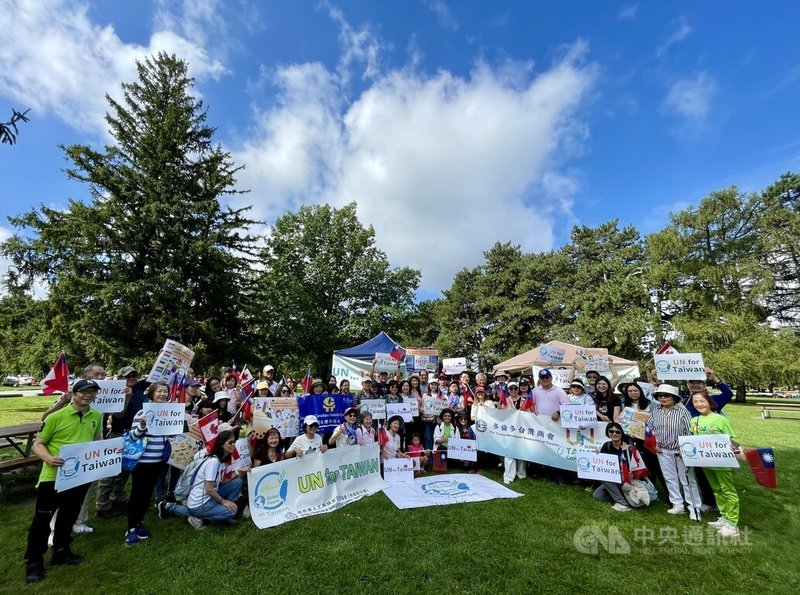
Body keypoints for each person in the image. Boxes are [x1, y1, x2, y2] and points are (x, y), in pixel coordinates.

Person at [24, 379, 102, 584]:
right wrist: (49, 458)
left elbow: (97, 440)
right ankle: (34, 562)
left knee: (69, 515)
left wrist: (107, 451)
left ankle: (61, 550)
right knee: (42, 521)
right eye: (84, 391)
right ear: (74, 393)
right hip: (53, 477)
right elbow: (37, 444)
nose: (88, 395)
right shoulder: (55, 417)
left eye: (93, 392)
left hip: (80, 476)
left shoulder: (96, 416)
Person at [159, 430, 247, 530]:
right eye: (230, 442)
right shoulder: (213, 462)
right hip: (200, 503)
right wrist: (223, 501)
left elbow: (221, 482)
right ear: (221, 444)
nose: (233, 444)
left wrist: (239, 471)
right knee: (231, 512)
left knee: (237, 482)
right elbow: (209, 489)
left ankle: (219, 512)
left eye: (234, 442)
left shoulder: (221, 461)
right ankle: (203, 517)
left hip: (209, 497)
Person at [96, 366, 147, 519]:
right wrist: (126, 397)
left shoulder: (138, 388)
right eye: (127, 376)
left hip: (134, 435)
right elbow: (117, 416)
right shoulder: (114, 391)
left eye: (134, 375)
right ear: (119, 378)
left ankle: (116, 498)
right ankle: (102, 505)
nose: (131, 378)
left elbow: (155, 376)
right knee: (109, 471)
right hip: (118, 434)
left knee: (125, 470)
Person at [125, 382, 171, 546]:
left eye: (165, 391)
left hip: (158, 461)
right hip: (142, 462)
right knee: (137, 495)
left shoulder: (168, 413)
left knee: (146, 495)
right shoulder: (141, 413)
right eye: (159, 391)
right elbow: (131, 437)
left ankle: (139, 522)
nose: (162, 394)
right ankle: (130, 529)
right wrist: (142, 426)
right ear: (151, 393)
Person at [646, 384, 702, 521]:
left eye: (666, 395)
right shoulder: (655, 412)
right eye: (660, 396)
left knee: (687, 479)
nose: (663, 398)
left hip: (681, 450)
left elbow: (691, 430)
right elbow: (649, 430)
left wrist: (685, 444)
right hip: (662, 450)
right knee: (669, 478)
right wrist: (654, 444)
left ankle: (694, 508)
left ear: (674, 397)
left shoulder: (682, 412)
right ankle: (677, 504)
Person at [690, 392, 741, 537]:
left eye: (702, 401)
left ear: (709, 402)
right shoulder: (694, 420)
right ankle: (724, 516)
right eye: (695, 402)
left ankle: (732, 523)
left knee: (728, 490)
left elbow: (729, 440)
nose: (699, 404)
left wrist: (733, 448)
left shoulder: (720, 419)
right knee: (717, 489)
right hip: (706, 461)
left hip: (721, 462)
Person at [592, 423, 635, 512]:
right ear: (608, 433)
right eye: (611, 431)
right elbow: (603, 464)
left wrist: (633, 474)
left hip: (626, 478)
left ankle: (622, 504)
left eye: (617, 432)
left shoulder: (629, 448)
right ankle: (618, 494)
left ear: (622, 433)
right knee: (597, 496)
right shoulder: (606, 445)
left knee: (606, 478)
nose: (614, 434)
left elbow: (637, 466)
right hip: (613, 477)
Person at [421, 379, 445, 450]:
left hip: (438, 420)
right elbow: (422, 407)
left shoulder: (441, 395)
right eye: (432, 384)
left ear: (437, 386)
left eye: (435, 384)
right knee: (428, 438)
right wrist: (424, 410)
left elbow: (444, 406)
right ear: (429, 385)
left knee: (438, 438)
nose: (433, 386)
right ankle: (429, 457)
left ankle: (437, 455)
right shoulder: (425, 395)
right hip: (428, 420)